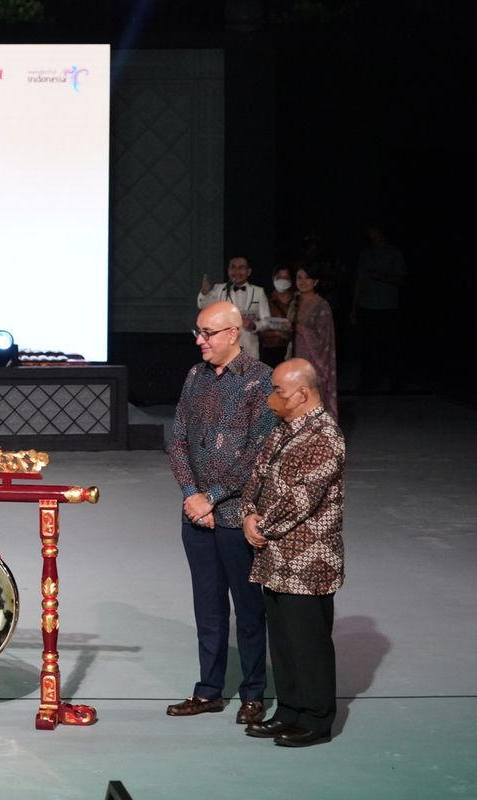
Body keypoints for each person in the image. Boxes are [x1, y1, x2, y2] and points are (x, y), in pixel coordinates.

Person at [167, 300, 278, 725]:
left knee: (248, 611)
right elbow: (177, 439)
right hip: (196, 517)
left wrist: (211, 497)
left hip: (236, 518)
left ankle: (253, 692)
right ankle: (208, 690)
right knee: (207, 609)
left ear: (233, 334)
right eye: (197, 332)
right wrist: (192, 494)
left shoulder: (260, 380)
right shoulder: (194, 377)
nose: (199, 340)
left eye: (207, 333)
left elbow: (257, 454)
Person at [241, 358, 346, 747]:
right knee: (283, 642)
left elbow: (301, 499)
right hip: (274, 558)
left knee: (309, 643)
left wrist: (261, 528)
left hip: (308, 560)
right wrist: (248, 514)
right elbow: (257, 475)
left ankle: (316, 719)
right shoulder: (284, 429)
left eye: (278, 391)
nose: (271, 399)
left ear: (302, 394)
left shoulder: (325, 436)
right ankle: (288, 710)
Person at [350, 221, 406, 393]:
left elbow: (401, 279)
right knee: (367, 347)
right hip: (367, 306)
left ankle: (395, 382)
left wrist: (380, 276)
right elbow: (358, 281)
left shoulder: (394, 254)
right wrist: (353, 307)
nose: (371, 235)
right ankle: (367, 382)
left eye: (374, 231)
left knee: (390, 346)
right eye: (369, 231)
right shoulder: (365, 254)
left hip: (387, 307)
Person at [289, 264, 338, 421]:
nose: (303, 282)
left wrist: (299, 329)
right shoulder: (295, 302)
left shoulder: (322, 305)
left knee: (313, 405)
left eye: (307, 278)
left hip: (314, 364)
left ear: (316, 281)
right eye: (299, 278)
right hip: (294, 361)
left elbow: (324, 340)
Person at [198, 256, 271, 360]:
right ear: (228, 270)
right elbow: (204, 306)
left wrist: (254, 326)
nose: (236, 271)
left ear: (248, 271)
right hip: (224, 351)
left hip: (250, 350)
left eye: (241, 268)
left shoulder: (259, 292)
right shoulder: (219, 289)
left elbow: (267, 321)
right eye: (233, 267)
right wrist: (205, 293)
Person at [258, 265, 295, 368]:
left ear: (291, 280)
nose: (282, 281)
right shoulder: (265, 301)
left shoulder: (297, 301)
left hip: (294, 350)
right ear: (273, 278)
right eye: (279, 277)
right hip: (270, 351)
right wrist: (277, 333)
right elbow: (258, 328)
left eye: (286, 278)